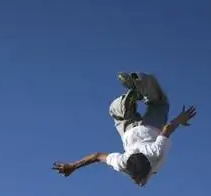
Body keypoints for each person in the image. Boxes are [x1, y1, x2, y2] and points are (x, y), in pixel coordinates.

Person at [52, 72, 197, 187]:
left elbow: (167, 129)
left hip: (150, 128)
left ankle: (139, 85)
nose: (139, 183)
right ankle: (125, 103)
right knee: (116, 112)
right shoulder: (123, 162)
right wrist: (73, 166)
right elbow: (97, 156)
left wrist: (180, 119)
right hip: (129, 132)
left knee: (159, 104)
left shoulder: (155, 153)